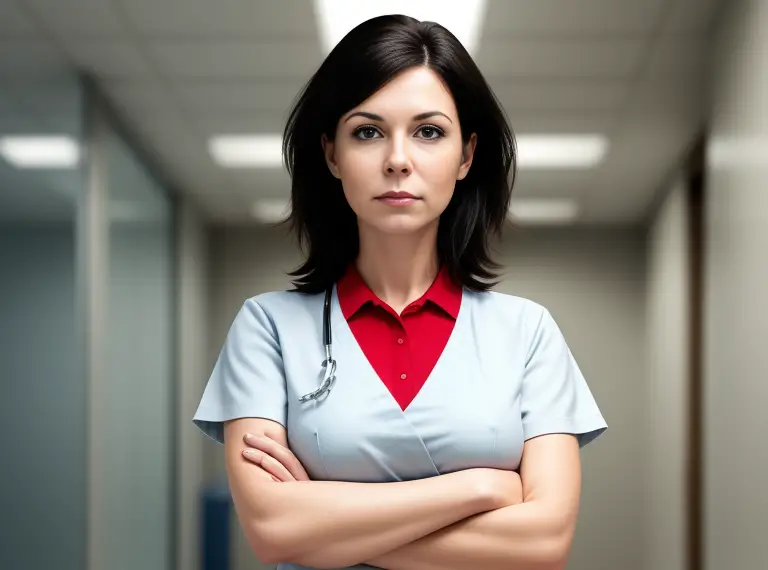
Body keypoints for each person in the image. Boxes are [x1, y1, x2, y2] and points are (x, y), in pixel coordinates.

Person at [193, 14, 607, 570]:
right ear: (332, 154)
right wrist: (483, 490)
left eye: (429, 131)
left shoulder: (527, 332)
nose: (397, 159)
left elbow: (543, 543)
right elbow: (273, 531)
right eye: (367, 131)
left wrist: (324, 522)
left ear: (466, 156)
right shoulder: (266, 328)